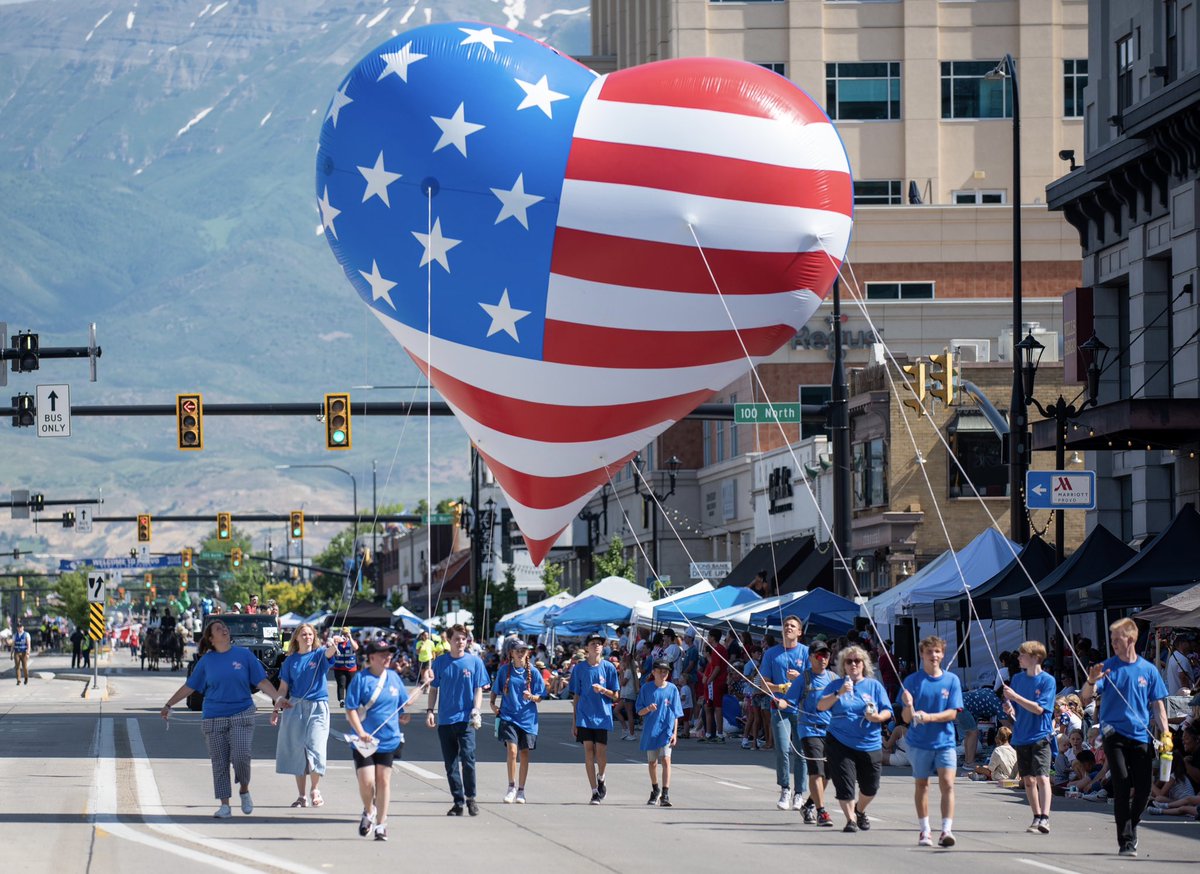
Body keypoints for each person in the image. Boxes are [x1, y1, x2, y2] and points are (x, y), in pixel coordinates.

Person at [160, 619, 287, 817]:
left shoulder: (244, 655)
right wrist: (168, 704)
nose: (224, 630)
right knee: (219, 763)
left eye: (225, 628)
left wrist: (278, 698)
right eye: (219, 629)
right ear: (211, 639)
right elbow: (190, 686)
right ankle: (225, 805)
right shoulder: (206, 661)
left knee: (241, 756)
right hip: (213, 716)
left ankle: (244, 790)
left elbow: (261, 681)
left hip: (241, 712)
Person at [1081, 616, 1171, 857]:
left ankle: (1132, 823)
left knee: (1143, 789)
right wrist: (1091, 679)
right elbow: (1085, 697)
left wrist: (1165, 733)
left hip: (1140, 735)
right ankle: (1126, 841)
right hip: (1113, 734)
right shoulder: (1107, 667)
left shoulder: (1149, 670)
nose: (1114, 644)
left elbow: (1158, 706)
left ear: (1131, 639)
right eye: (1112, 640)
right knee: (1121, 783)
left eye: (1117, 639)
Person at [817, 644, 893, 834]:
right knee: (845, 784)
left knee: (871, 787)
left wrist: (877, 718)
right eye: (849, 661)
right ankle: (850, 820)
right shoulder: (836, 685)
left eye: (857, 661)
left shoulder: (874, 685)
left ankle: (859, 810)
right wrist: (839, 693)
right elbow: (821, 706)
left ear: (864, 664)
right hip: (839, 741)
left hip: (870, 742)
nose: (853, 664)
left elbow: (888, 711)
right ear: (843, 665)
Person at [900, 635, 964, 848]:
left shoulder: (952, 680)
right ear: (922, 655)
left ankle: (946, 830)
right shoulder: (912, 681)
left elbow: (953, 713)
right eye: (929, 652)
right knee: (922, 784)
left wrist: (928, 717)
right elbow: (906, 719)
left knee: (947, 784)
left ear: (942, 654)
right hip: (919, 743)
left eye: (937, 652)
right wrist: (908, 705)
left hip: (945, 741)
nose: (933, 656)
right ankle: (925, 830)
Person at [345, 640, 413, 841]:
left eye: (389, 654)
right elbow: (350, 709)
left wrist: (405, 716)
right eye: (383, 654)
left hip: (389, 739)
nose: (387, 657)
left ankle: (382, 824)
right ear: (371, 657)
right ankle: (369, 810)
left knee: (383, 781)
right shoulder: (360, 679)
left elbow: (403, 705)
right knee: (366, 782)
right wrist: (360, 732)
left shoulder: (394, 677)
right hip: (364, 740)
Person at [272, 623, 340, 809]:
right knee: (297, 751)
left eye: (310, 634)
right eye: (304, 634)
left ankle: (315, 790)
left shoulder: (318, 655)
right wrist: (276, 708)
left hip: (318, 707)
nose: (307, 637)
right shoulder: (289, 661)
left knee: (316, 748)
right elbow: (283, 688)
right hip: (294, 706)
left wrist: (335, 644)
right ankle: (301, 796)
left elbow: (330, 652)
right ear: (296, 638)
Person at [426, 624, 489, 816]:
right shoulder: (440, 663)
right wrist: (430, 711)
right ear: (449, 641)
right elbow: (434, 688)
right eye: (457, 639)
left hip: (466, 719)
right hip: (446, 720)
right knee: (450, 764)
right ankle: (458, 801)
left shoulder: (475, 662)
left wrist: (476, 710)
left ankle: (471, 798)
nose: (460, 642)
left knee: (468, 759)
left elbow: (479, 688)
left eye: (463, 639)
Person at [1002, 639, 1057, 834]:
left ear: (1035, 658)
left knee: (1042, 777)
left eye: (1023, 654)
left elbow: (1039, 709)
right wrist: (1009, 706)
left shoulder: (1047, 681)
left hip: (1040, 735)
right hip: (1021, 736)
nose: (1019, 657)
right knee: (1028, 780)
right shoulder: (1017, 679)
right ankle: (1036, 817)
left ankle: (1045, 817)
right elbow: (1015, 709)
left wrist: (1016, 697)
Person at [761, 615, 810, 812]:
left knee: (801, 751)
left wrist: (800, 679)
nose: (788, 628)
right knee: (782, 748)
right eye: (786, 625)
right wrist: (780, 688)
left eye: (792, 626)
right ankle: (785, 788)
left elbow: (815, 681)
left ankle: (800, 792)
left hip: (800, 709)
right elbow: (763, 682)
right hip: (779, 707)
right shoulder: (772, 653)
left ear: (799, 632)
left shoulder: (806, 652)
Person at [490, 638, 546, 804]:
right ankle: (511, 787)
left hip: (528, 719)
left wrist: (532, 697)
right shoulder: (504, 670)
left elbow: (540, 696)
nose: (520, 653)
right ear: (511, 653)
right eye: (517, 651)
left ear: (527, 653)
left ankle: (521, 790)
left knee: (524, 752)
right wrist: (492, 704)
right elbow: (495, 690)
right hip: (508, 716)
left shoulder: (534, 672)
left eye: (523, 650)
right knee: (512, 751)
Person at [569, 633, 621, 804]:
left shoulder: (609, 668)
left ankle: (602, 777)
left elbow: (616, 695)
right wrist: (574, 720)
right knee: (588, 751)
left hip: (602, 715)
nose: (596, 646)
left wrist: (603, 690)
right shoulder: (579, 668)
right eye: (593, 643)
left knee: (601, 753)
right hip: (585, 716)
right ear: (587, 648)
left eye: (599, 643)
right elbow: (576, 695)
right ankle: (594, 791)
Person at [792, 639, 838, 826]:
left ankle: (809, 804)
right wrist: (782, 702)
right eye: (819, 655)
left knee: (828, 775)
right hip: (809, 730)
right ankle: (821, 812)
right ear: (811, 657)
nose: (823, 659)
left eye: (826, 655)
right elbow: (790, 700)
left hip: (831, 730)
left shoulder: (834, 678)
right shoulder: (804, 679)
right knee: (816, 773)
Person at [636, 659, 684, 807]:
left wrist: (675, 733)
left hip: (666, 730)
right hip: (651, 730)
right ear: (653, 672)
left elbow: (676, 713)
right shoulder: (646, 688)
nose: (663, 674)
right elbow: (639, 711)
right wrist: (648, 709)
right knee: (652, 762)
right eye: (660, 671)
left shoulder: (672, 689)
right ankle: (655, 789)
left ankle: (665, 793)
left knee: (666, 760)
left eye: (666, 671)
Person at [699, 628, 729, 744]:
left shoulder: (717, 650)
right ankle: (713, 733)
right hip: (719, 681)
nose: (708, 638)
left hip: (715, 682)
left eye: (709, 636)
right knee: (712, 707)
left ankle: (717, 734)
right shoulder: (721, 649)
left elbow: (717, 667)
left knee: (713, 707)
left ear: (713, 637)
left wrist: (709, 680)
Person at [332, 629, 359, 707]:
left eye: (346, 634)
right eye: (343, 634)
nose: (345, 635)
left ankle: (348, 700)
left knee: (349, 685)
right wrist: (335, 642)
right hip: (339, 668)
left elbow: (356, 648)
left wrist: (350, 638)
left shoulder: (352, 642)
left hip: (351, 668)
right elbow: (331, 649)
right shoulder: (338, 642)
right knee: (341, 684)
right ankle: (341, 700)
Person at [617, 650, 639, 741]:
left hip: (628, 694)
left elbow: (623, 683)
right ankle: (625, 729)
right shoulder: (628, 671)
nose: (621, 664)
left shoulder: (628, 671)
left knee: (629, 714)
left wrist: (621, 672)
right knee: (616, 711)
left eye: (622, 662)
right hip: (625, 694)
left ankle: (632, 734)